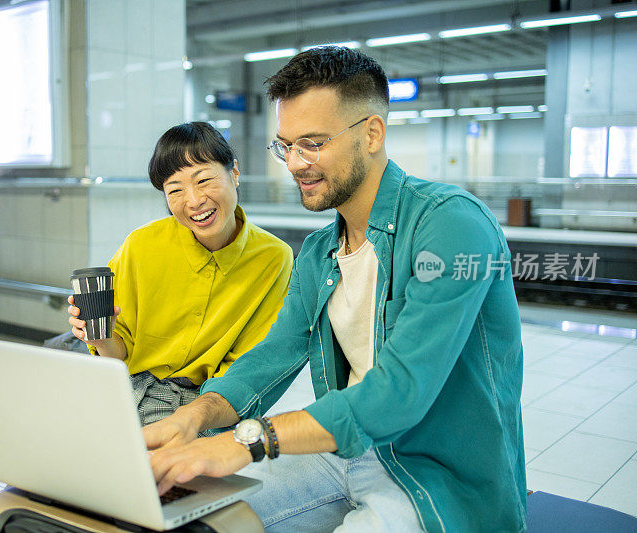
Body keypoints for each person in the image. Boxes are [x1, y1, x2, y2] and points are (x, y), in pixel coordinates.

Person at [144, 48, 526, 532]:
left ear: (372, 133)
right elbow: (270, 359)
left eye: (314, 143)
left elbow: (399, 393)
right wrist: (194, 418)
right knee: (194, 518)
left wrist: (247, 440)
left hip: (436, 475)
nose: (297, 163)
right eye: (285, 146)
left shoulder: (449, 223)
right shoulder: (321, 250)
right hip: (343, 451)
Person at [67, 122, 293, 426]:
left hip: (209, 401)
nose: (194, 200)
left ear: (234, 173)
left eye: (204, 180)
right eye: (175, 190)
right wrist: (102, 336)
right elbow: (118, 355)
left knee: (167, 468)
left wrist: (201, 415)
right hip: (128, 387)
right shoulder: (140, 246)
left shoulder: (272, 257)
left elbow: (248, 365)